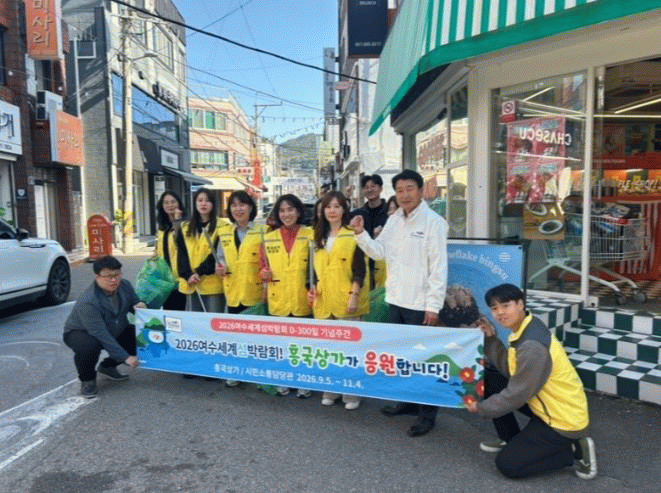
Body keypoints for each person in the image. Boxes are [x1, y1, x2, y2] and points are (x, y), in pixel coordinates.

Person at [350, 169, 448, 437]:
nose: (404, 195)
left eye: (410, 189)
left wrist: (433, 306)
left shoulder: (434, 223)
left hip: (420, 305)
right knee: (403, 358)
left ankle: (427, 415)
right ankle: (407, 403)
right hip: (396, 300)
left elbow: (439, 268)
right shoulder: (393, 221)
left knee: (423, 361)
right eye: (400, 190)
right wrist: (360, 234)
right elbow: (379, 253)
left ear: (421, 191)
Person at [467, 283, 597, 480]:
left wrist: (481, 408)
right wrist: (491, 339)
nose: (500, 313)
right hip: (546, 404)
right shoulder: (527, 326)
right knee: (492, 379)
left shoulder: (532, 345)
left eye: (506, 305)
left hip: (562, 420)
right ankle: (510, 439)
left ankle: (572, 450)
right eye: (494, 308)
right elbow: (513, 371)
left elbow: (517, 394)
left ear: (521, 304)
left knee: (507, 465)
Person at [309, 192, 368, 410]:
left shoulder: (352, 234)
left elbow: (360, 270)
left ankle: (351, 394)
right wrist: (311, 289)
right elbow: (312, 271)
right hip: (324, 301)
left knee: (349, 351)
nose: (332, 211)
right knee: (327, 349)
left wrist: (353, 295)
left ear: (344, 209)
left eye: (337, 206)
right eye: (328, 207)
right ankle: (330, 389)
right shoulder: (318, 237)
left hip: (347, 301)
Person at [63, 256, 145, 398]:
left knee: (139, 338)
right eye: (108, 276)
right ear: (97, 277)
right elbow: (101, 334)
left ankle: (107, 367)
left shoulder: (125, 285)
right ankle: (87, 380)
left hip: (114, 326)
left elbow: (134, 302)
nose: (113, 280)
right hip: (81, 332)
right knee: (88, 346)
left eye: (116, 275)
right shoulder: (88, 301)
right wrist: (125, 357)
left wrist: (139, 305)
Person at [260, 193, 314, 399]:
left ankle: (303, 381)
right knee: (280, 344)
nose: (286, 214)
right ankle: (282, 380)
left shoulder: (310, 234)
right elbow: (262, 266)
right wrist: (263, 273)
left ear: (298, 212)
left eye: (290, 209)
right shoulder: (269, 238)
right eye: (282, 210)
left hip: (303, 298)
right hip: (278, 298)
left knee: (303, 344)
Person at [176, 188, 225, 314]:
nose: (203, 204)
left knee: (213, 321)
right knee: (194, 323)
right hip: (191, 283)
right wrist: (188, 275)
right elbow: (182, 254)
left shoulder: (223, 227)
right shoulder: (185, 227)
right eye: (200, 200)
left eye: (207, 201)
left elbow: (217, 255)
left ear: (213, 204)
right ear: (195, 203)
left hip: (212, 285)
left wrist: (198, 272)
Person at [350, 174, 389, 289]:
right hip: (363, 264)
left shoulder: (390, 213)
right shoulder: (357, 214)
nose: (370, 190)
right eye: (366, 187)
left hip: (385, 264)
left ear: (381, 188)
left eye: (373, 186)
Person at [155, 190, 186, 310]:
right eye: (166, 203)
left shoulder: (185, 223)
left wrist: (177, 220)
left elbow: (182, 242)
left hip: (180, 278)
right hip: (165, 278)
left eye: (173, 202)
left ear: (179, 204)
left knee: (180, 312)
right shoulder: (162, 226)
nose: (170, 205)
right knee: (168, 311)